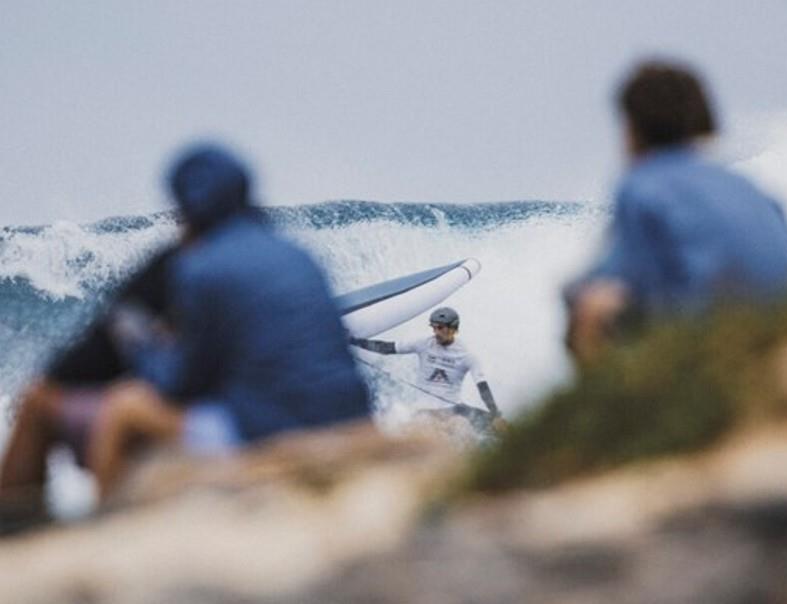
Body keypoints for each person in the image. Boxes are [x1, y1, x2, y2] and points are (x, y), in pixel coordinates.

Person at [1, 144, 370, 511]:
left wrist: (143, 348)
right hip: (347, 418)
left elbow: (184, 384)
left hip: (271, 430)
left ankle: (104, 524)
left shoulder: (202, 268)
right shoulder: (296, 254)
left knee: (126, 409)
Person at [565, 60, 787, 363]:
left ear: (633, 129)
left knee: (592, 306)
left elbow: (624, 277)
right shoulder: (744, 185)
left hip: (714, 341)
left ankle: (608, 405)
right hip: (784, 330)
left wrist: (571, 294)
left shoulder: (642, 187)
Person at [349, 307, 503, 430]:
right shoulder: (423, 344)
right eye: (434, 327)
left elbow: (482, 387)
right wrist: (355, 341)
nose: (435, 332)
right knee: (455, 427)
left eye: (440, 328)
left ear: (453, 329)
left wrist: (495, 414)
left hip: (453, 408)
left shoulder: (467, 355)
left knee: (502, 426)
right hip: (425, 409)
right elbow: (387, 348)